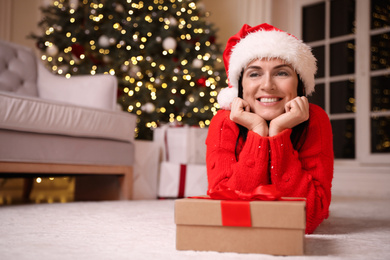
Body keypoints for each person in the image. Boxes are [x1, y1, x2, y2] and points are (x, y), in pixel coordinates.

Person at [206, 23, 334, 234]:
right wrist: (257, 131)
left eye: (281, 73)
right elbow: (226, 208)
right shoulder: (224, 121)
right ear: (240, 86)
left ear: (299, 83)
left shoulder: (315, 119)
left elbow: (309, 217)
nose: (267, 85)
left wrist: (277, 133)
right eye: (254, 74)